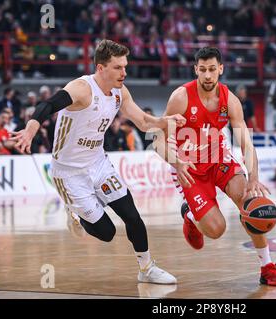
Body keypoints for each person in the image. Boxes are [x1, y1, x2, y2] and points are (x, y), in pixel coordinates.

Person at [11, 39, 186, 285]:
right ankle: (74, 212)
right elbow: (48, 104)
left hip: (99, 163)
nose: (124, 72)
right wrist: (31, 129)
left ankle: (146, 268)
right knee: (107, 233)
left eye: (125, 66)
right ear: (101, 68)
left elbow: (143, 122)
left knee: (132, 215)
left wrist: (164, 121)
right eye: (118, 67)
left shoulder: (120, 92)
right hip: (69, 173)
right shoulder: (82, 89)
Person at [154, 47, 276, 286]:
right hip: (189, 170)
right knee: (216, 230)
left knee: (250, 203)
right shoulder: (180, 97)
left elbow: (246, 142)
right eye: (202, 70)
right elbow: (157, 139)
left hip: (220, 160)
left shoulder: (230, 100)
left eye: (212, 70)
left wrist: (253, 177)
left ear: (221, 69)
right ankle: (190, 214)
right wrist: (175, 161)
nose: (207, 75)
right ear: (196, 69)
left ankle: (267, 267)